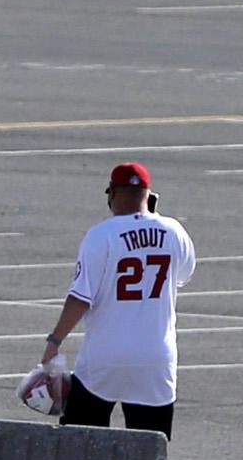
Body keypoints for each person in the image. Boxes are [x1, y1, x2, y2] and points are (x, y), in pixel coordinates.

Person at [37, 161, 198, 439]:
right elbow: (183, 275)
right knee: (148, 455)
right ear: (149, 195)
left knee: (82, 447)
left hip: (104, 359)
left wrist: (54, 341)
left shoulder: (101, 235)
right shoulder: (175, 232)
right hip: (155, 359)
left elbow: (80, 297)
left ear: (112, 193)